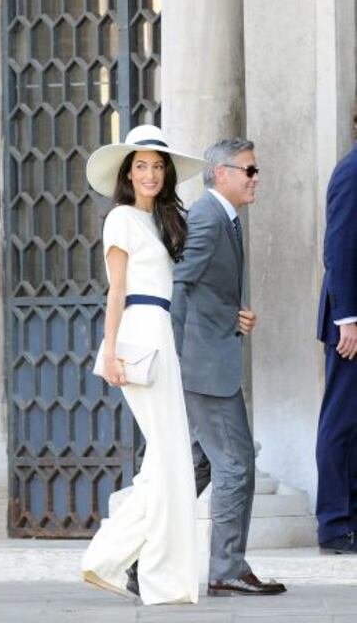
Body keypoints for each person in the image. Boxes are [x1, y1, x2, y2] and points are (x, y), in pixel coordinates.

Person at [81, 125, 206, 605]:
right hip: (137, 337)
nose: (150, 174)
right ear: (127, 174)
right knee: (170, 459)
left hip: (161, 335)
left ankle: (111, 558)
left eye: (157, 166)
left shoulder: (162, 222)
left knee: (166, 462)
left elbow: (177, 287)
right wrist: (110, 351)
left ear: (166, 173)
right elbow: (117, 291)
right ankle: (140, 569)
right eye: (141, 166)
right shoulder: (121, 220)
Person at [170, 139, 287, 596]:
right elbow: (179, 284)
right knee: (235, 465)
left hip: (212, 357)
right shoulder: (206, 218)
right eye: (249, 170)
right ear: (221, 173)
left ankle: (141, 555)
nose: (256, 178)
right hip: (202, 366)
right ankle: (227, 569)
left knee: (194, 468)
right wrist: (174, 354)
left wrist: (235, 314)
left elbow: (207, 291)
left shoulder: (224, 218)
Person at [316, 141, 357, 554]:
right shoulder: (351, 171)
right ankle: (333, 524)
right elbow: (339, 248)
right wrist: (347, 317)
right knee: (342, 422)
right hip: (350, 325)